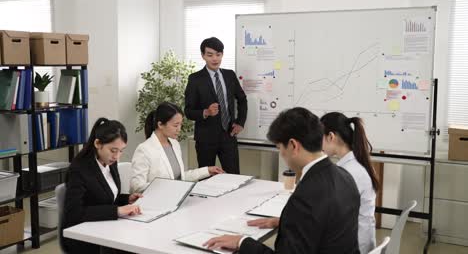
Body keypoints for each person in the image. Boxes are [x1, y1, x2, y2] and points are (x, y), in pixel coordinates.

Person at [204, 107, 361, 253]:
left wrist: (242, 242)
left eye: (280, 148)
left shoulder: (307, 195)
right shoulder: (345, 176)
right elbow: (323, 223)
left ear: (293, 145)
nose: (282, 156)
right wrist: (284, 222)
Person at [62, 118, 142, 254]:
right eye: (113, 150)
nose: (117, 156)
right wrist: (117, 211)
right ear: (98, 143)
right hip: (85, 237)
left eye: (121, 151)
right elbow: (73, 213)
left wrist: (127, 199)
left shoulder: (110, 162)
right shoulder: (79, 169)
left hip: (107, 227)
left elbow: (106, 197)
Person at [184, 37, 247, 174]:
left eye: (218, 54)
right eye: (210, 55)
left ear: (222, 55)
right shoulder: (195, 79)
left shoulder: (230, 75)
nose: (215, 59)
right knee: (206, 179)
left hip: (228, 136)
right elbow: (188, 111)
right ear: (203, 56)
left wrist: (240, 122)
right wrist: (205, 112)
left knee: (233, 177)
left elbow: (242, 99)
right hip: (205, 139)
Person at [130, 102, 224, 193]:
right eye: (175, 125)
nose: (179, 129)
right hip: (156, 202)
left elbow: (180, 177)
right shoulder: (144, 149)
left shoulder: (174, 144)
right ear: (160, 125)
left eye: (180, 125)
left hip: (175, 196)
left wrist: (207, 170)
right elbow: (137, 187)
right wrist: (166, 185)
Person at [321, 112, 379, 253]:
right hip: (363, 240)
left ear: (331, 136)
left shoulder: (348, 171)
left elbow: (328, 215)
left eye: (319, 138)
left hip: (355, 245)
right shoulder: (356, 163)